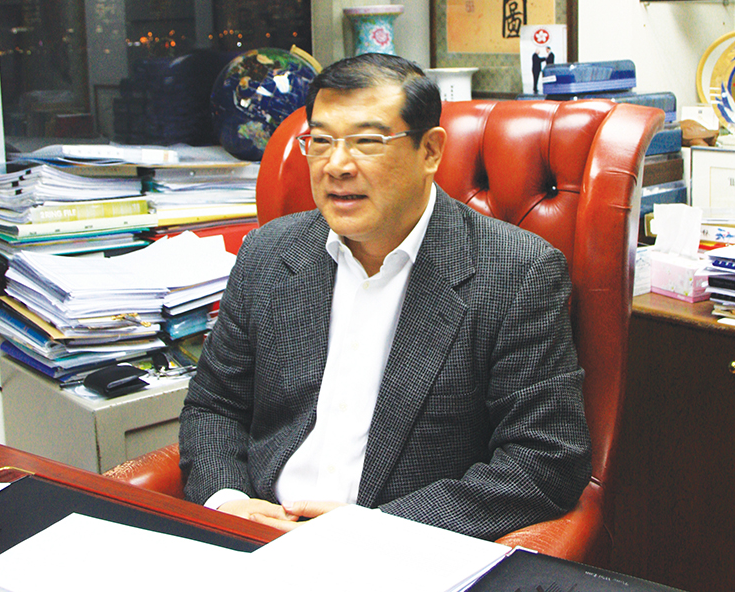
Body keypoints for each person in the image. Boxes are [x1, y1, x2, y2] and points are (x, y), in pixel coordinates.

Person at [178, 53, 591, 541]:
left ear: (430, 151)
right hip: (257, 536)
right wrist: (229, 503)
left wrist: (375, 532)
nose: (336, 165)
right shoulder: (268, 252)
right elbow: (214, 407)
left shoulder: (517, 272)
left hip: (400, 553)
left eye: (367, 142)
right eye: (321, 141)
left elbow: (544, 460)